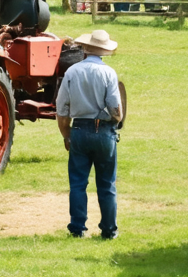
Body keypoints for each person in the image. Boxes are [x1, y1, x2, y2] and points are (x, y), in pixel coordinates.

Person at [56, 29, 122, 240]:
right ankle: (109, 230)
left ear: (85, 48)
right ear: (103, 51)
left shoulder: (72, 72)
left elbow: (62, 110)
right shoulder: (109, 73)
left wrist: (66, 135)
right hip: (103, 131)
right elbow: (115, 109)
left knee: (77, 183)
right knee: (107, 185)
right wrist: (117, 120)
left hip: (79, 130)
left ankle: (77, 228)